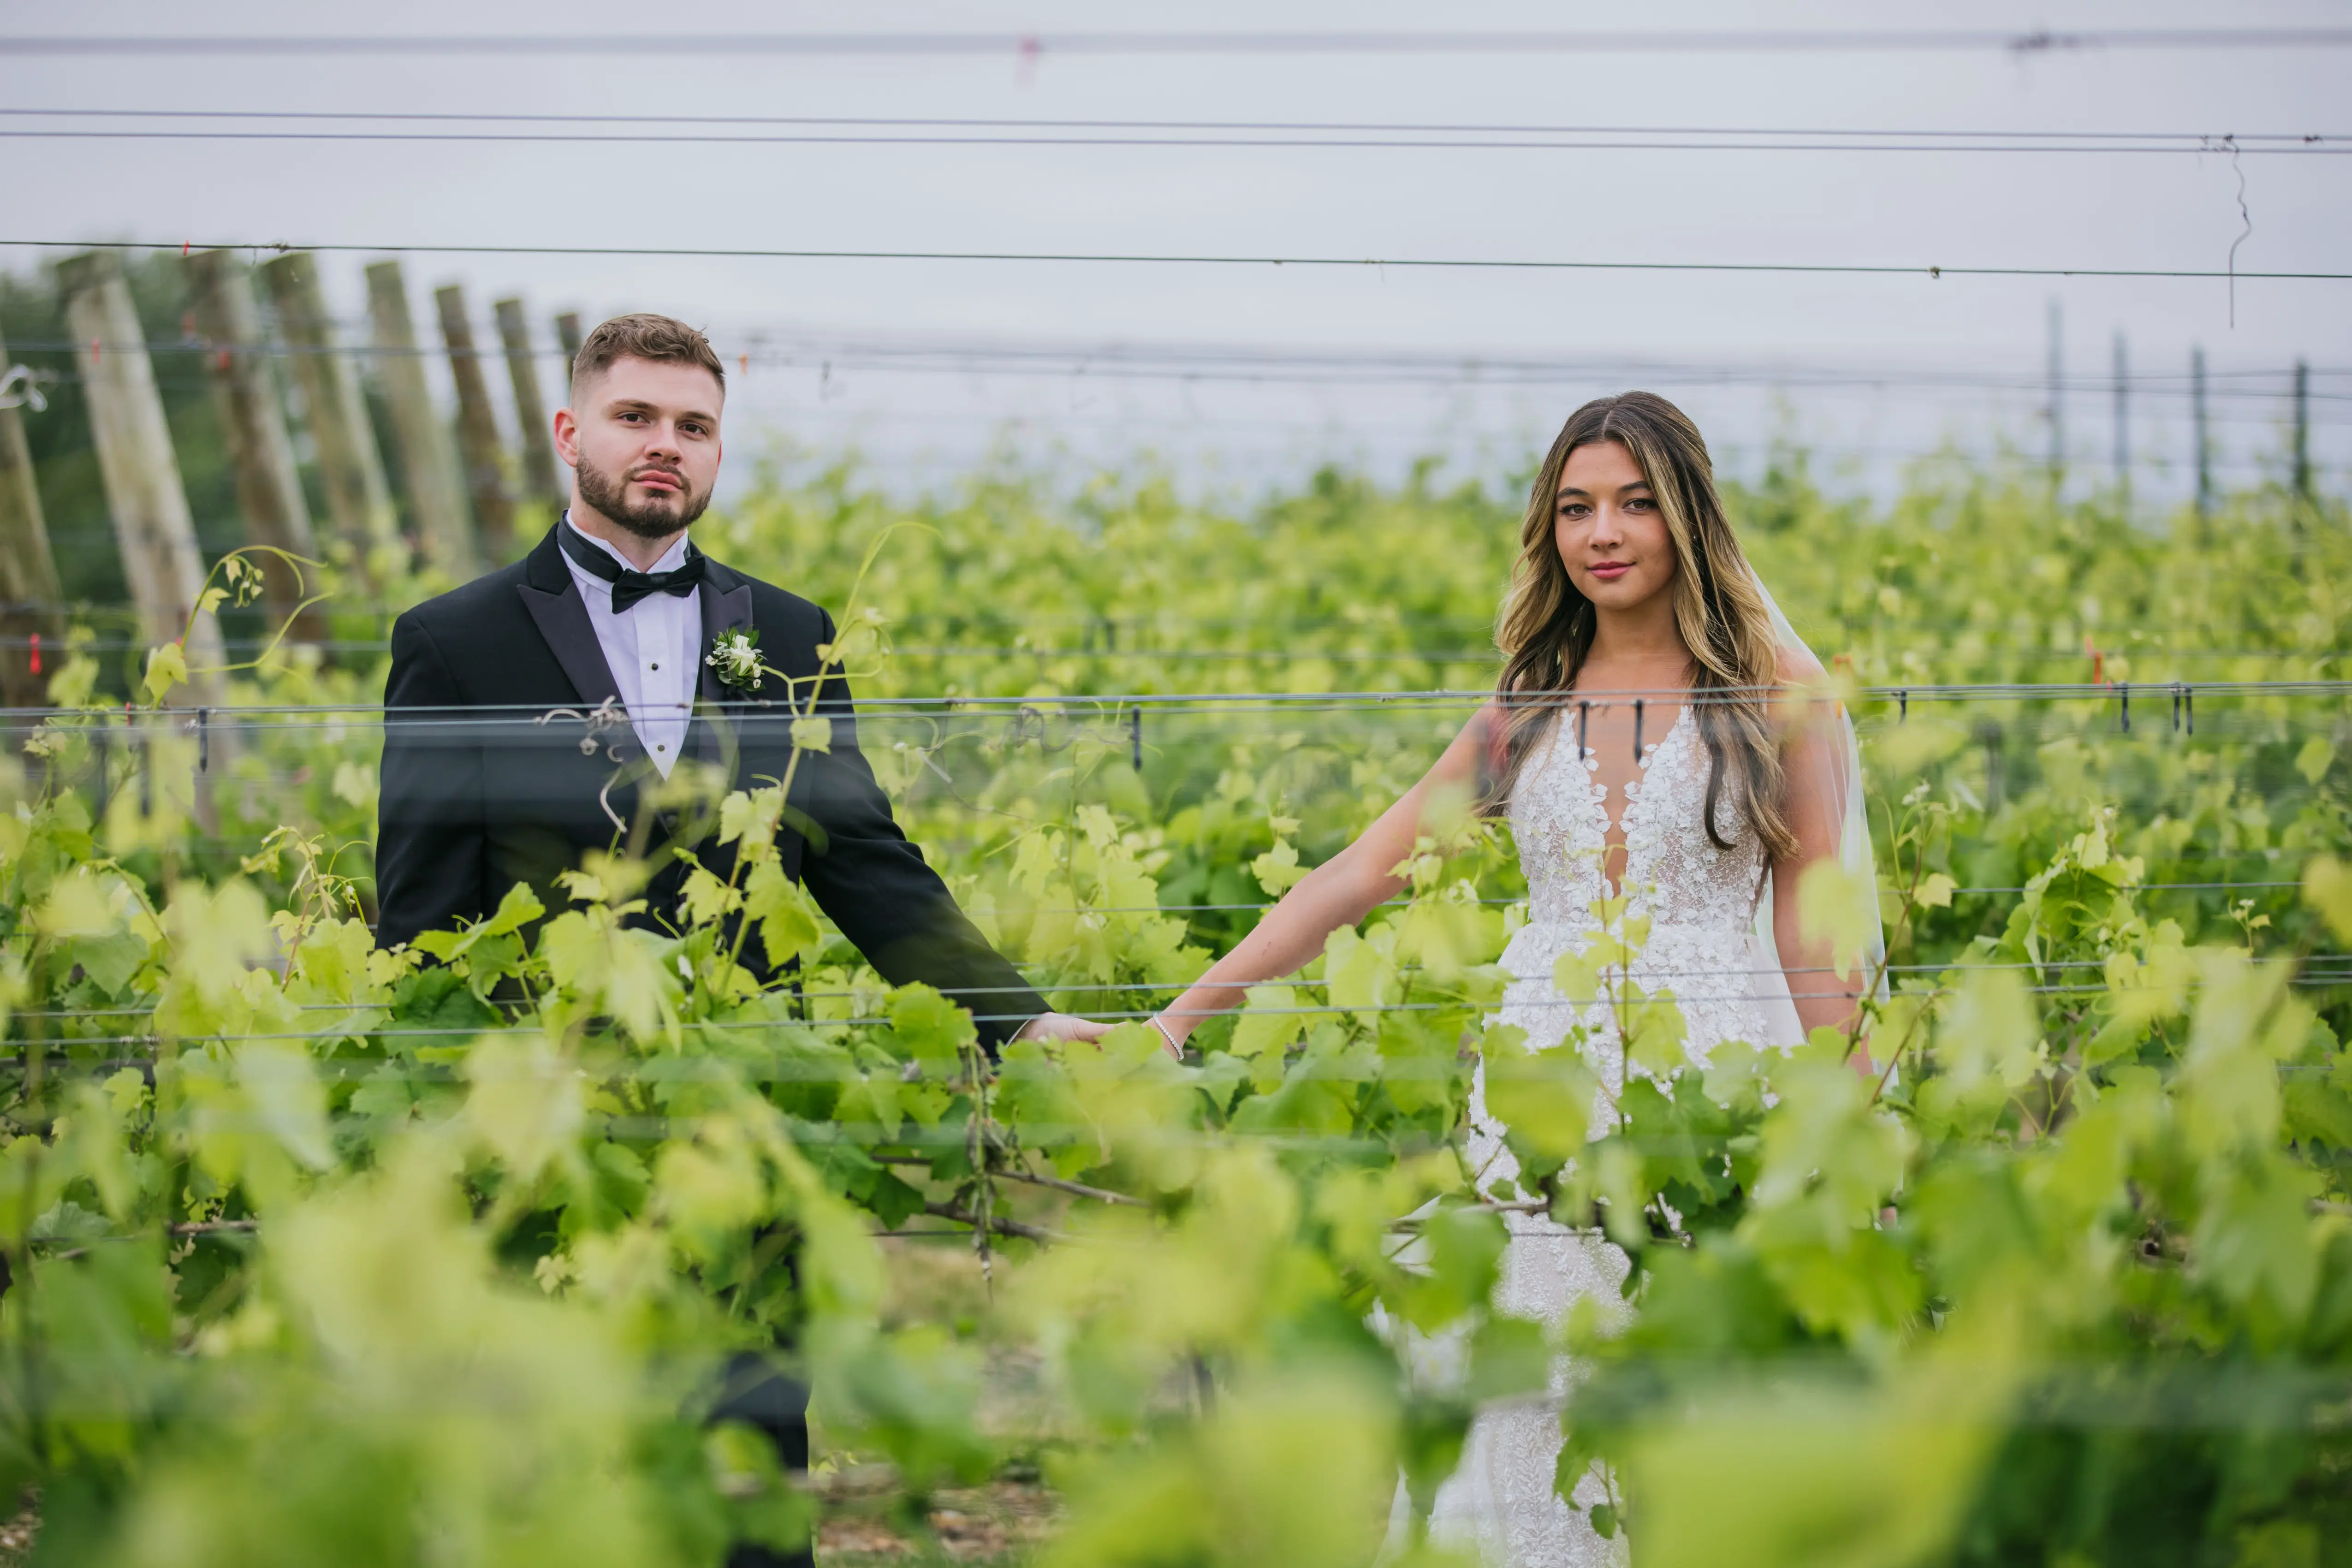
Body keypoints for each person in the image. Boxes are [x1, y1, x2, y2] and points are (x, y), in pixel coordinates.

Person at [374, 313, 1097, 1568]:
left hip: (742, 1115)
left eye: (693, 426)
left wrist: (1015, 1014)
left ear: (718, 451)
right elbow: (421, 917)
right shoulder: (455, 640)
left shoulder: (795, 640)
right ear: (570, 432)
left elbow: (864, 863)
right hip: (547, 1133)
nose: (665, 447)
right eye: (636, 418)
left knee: (753, 1465)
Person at [1146, 392, 1881, 1566]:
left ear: (1689, 516)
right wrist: (1181, 1018)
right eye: (1578, 507)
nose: (1606, 531)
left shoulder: (1776, 702)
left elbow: (1812, 940)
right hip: (1537, 1090)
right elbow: (1357, 873)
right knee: (1526, 1394)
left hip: (1714, 1080)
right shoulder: (1523, 711)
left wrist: (1852, 1124)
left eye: (1637, 503)